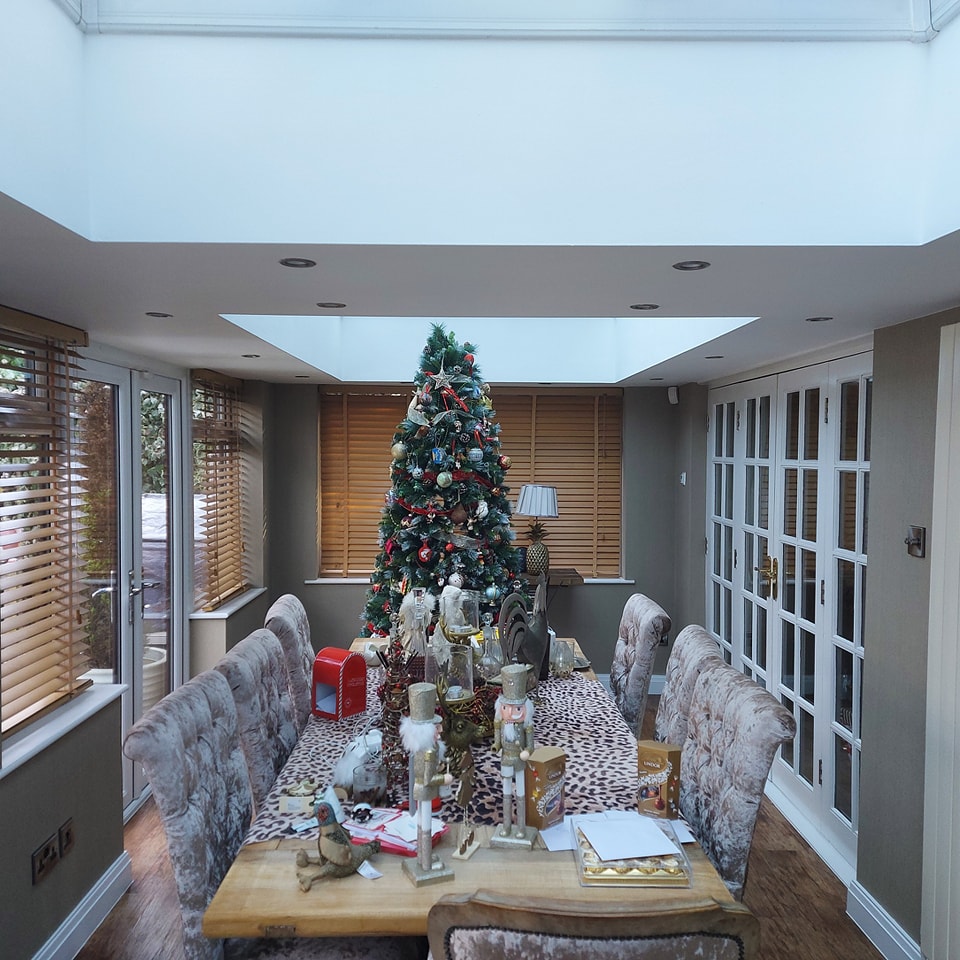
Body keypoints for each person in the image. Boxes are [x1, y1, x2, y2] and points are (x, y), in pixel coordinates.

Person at [399, 682, 454, 884]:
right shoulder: (429, 752)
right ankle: (426, 863)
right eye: (437, 727)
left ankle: (423, 858)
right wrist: (445, 778)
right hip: (426, 790)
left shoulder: (421, 750)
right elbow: (429, 778)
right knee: (426, 826)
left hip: (420, 789)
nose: (441, 730)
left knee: (422, 824)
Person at [491, 663, 538, 849]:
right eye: (506, 708)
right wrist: (496, 746)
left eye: (517, 709)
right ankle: (506, 826)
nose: (511, 713)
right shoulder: (501, 724)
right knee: (506, 793)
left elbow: (530, 745)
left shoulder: (526, 726)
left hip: (519, 760)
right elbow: (497, 741)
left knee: (521, 792)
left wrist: (527, 752)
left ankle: (521, 827)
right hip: (506, 759)